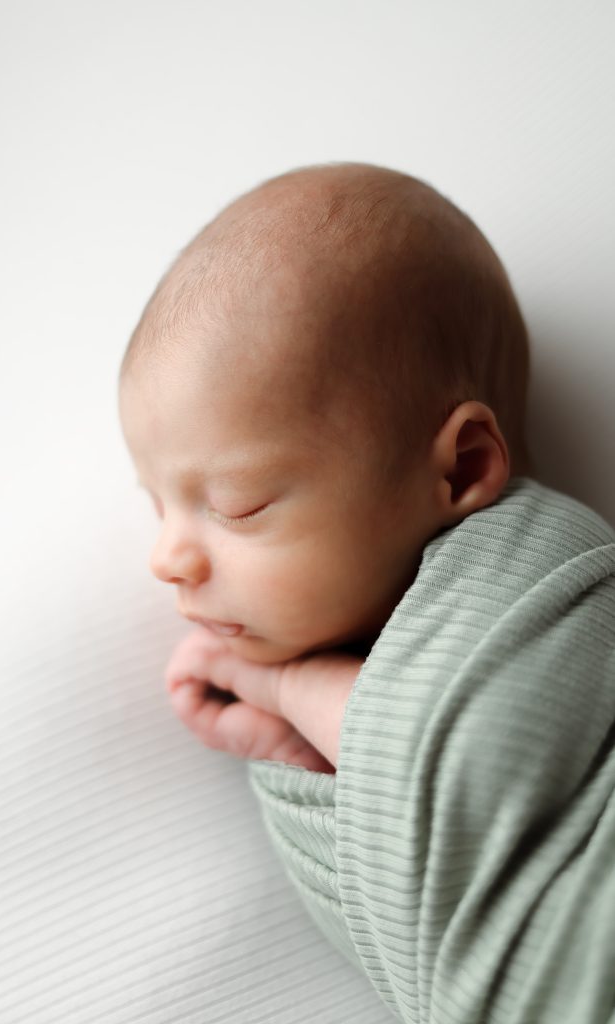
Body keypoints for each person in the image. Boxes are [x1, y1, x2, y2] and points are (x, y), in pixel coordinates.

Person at [118, 163, 615, 1022]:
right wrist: (288, 755)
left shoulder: (538, 562)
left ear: (460, 469)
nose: (169, 557)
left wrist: (285, 687)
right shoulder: (375, 691)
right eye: (158, 506)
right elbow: (416, 931)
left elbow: (483, 760)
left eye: (236, 504)